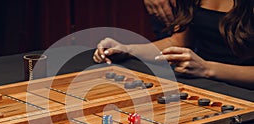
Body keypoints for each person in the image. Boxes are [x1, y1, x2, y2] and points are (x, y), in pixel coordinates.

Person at [93, 0, 254, 89]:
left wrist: (207, 68)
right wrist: (127, 49)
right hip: (203, 84)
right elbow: (177, 42)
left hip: (243, 92)